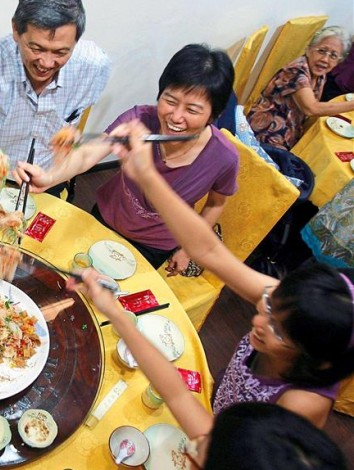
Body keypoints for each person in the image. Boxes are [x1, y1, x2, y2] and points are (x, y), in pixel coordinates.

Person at [88, 119, 354, 429]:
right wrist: (148, 177)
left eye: (279, 331)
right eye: (269, 306)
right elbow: (208, 251)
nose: (258, 319)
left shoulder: (301, 404)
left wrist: (119, 319)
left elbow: (209, 436)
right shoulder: (290, 307)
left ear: (316, 359)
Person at [15, 44, 238, 271]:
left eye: (192, 110)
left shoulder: (223, 158)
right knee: (70, 275)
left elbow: (215, 204)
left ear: (214, 114)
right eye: (170, 101)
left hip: (154, 245)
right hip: (105, 217)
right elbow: (91, 152)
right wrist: (49, 177)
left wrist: (189, 249)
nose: (176, 117)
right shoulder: (140, 119)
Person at [0, 0, 111, 198]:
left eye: (60, 52)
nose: (46, 63)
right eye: (36, 48)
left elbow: (77, 124)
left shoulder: (93, 66)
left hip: (48, 178)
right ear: (15, 29)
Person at [248, 26, 354, 150]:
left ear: (338, 61)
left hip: (290, 132)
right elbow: (311, 108)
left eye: (333, 56)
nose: (325, 59)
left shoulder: (320, 74)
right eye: (321, 51)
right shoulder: (296, 71)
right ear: (309, 50)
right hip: (265, 133)